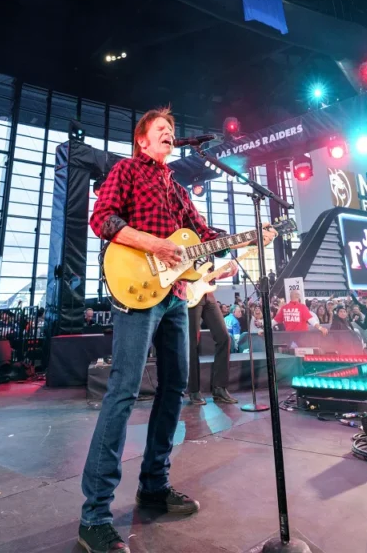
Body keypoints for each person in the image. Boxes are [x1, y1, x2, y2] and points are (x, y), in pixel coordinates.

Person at [79, 107, 275, 553]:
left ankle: (154, 486)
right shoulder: (126, 170)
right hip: (135, 289)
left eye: (172, 130)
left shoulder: (177, 188)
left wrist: (245, 239)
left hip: (175, 296)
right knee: (124, 390)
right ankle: (94, 515)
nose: (169, 134)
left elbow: (203, 235)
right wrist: (154, 244)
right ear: (142, 142)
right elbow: (102, 219)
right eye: (160, 131)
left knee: (174, 390)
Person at [187, 261, 238, 406]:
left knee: (224, 337)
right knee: (192, 342)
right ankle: (194, 390)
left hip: (208, 294)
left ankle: (219, 388)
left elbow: (208, 275)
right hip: (189, 292)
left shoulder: (209, 244)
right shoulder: (188, 240)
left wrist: (227, 274)